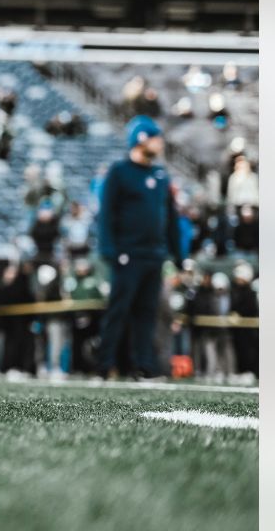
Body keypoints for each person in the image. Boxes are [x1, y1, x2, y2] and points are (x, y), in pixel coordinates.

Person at [95, 116, 183, 380]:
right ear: (142, 139)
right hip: (127, 255)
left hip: (153, 256)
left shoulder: (160, 175)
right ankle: (105, 364)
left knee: (147, 314)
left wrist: (180, 256)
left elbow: (170, 218)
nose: (160, 143)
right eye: (156, 138)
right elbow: (107, 214)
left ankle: (144, 366)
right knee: (119, 311)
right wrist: (111, 251)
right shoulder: (119, 172)